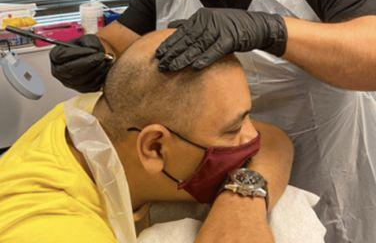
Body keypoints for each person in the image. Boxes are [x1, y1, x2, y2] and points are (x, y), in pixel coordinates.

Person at [49, 0, 376, 242]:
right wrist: (90, 55)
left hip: (332, 164)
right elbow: (116, 43)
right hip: (233, 174)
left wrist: (270, 30)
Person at [0, 30, 294, 243]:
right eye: (233, 129)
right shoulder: (48, 228)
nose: (251, 134)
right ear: (154, 147)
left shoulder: (100, 116)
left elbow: (275, 140)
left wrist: (242, 200)